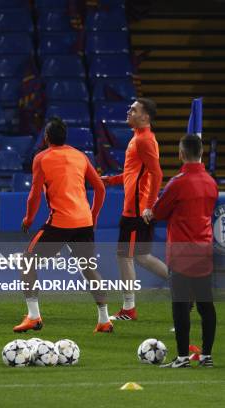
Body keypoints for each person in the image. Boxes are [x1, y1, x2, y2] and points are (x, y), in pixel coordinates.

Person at [12, 117, 112, 334]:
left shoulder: (41, 158)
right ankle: (104, 320)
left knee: (27, 262)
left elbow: (34, 195)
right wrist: (93, 217)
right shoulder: (81, 156)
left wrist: (28, 219)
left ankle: (33, 316)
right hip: (84, 222)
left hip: (60, 223)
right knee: (89, 269)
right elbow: (101, 189)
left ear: (46, 138)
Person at [151, 135, 218, 368]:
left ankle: (181, 358)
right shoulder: (211, 182)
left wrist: (149, 213)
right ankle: (207, 356)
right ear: (201, 152)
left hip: (181, 252)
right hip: (204, 251)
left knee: (180, 305)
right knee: (205, 304)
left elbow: (158, 212)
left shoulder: (177, 182)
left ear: (181, 154)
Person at [101, 98, 169, 321]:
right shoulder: (138, 138)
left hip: (137, 211)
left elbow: (157, 174)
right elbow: (133, 173)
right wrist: (111, 180)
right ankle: (184, 285)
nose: (129, 111)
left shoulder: (145, 140)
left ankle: (129, 308)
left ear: (145, 117)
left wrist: (148, 206)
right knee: (140, 256)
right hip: (137, 208)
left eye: (134, 109)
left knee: (125, 257)